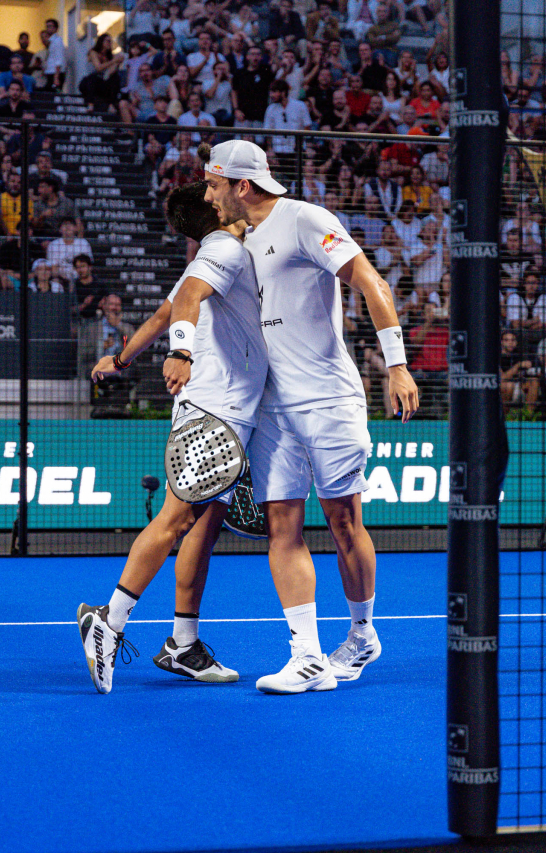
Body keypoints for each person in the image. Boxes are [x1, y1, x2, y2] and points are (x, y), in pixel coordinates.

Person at [202, 139, 419, 693]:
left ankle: (363, 634)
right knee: (283, 527)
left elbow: (370, 280)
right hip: (273, 408)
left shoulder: (304, 219)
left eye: (213, 184)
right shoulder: (234, 241)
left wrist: (397, 366)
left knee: (345, 522)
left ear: (242, 185)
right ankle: (307, 656)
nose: (209, 195)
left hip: (328, 399)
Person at [77, 181, 265, 693]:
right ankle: (109, 622)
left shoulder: (213, 253)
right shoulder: (225, 248)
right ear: (215, 210)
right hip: (213, 408)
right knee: (176, 518)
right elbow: (181, 306)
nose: (223, 193)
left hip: (228, 411)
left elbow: (163, 313)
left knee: (202, 527)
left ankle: (183, 643)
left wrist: (121, 358)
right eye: (216, 191)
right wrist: (178, 352)